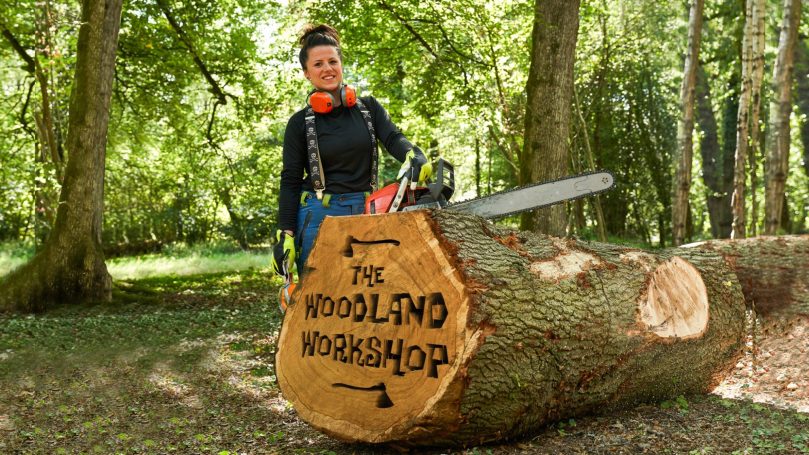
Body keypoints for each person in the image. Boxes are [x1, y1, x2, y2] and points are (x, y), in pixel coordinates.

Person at [271, 24, 431, 279]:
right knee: (319, 299)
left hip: (367, 211)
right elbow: (290, 180)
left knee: (368, 302)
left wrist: (413, 154)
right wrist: (285, 234)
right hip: (317, 215)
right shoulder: (300, 123)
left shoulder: (368, 108)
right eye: (318, 64)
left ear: (341, 64)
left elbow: (393, 138)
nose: (327, 69)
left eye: (332, 61)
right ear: (306, 73)